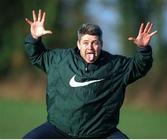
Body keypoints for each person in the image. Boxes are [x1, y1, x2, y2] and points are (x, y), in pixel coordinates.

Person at [23, 9, 157, 139]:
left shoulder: (115, 65)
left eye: (95, 43)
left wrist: (143, 49)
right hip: (58, 130)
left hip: (102, 134)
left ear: (101, 44)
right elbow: (37, 55)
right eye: (86, 43)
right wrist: (34, 38)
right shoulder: (60, 60)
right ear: (78, 44)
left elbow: (140, 67)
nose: (90, 48)